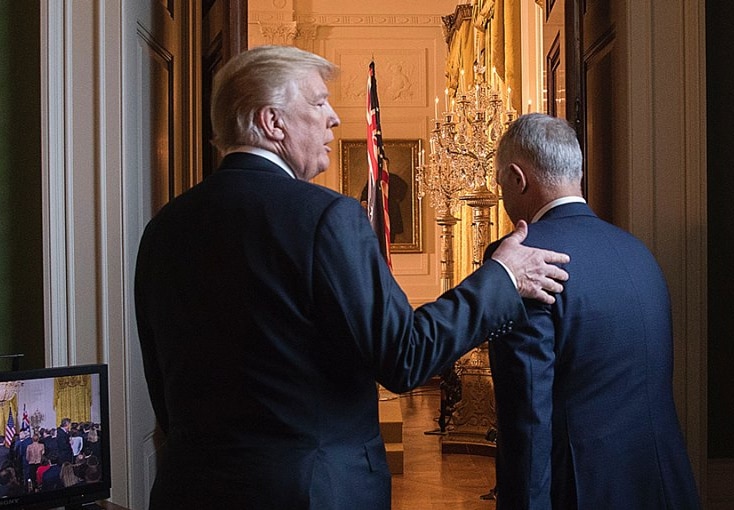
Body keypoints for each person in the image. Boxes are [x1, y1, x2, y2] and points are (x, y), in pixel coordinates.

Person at [134, 45, 570, 510]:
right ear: (272, 122)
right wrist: (502, 277)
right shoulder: (325, 217)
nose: (334, 118)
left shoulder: (163, 227)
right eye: (318, 103)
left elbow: (163, 393)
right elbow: (405, 357)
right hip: (311, 494)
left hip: (188, 490)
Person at [487, 113, 700, 509]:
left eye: (501, 183)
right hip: (664, 486)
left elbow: (526, 414)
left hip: (581, 491)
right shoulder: (638, 252)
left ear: (517, 178)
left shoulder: (526, 259)